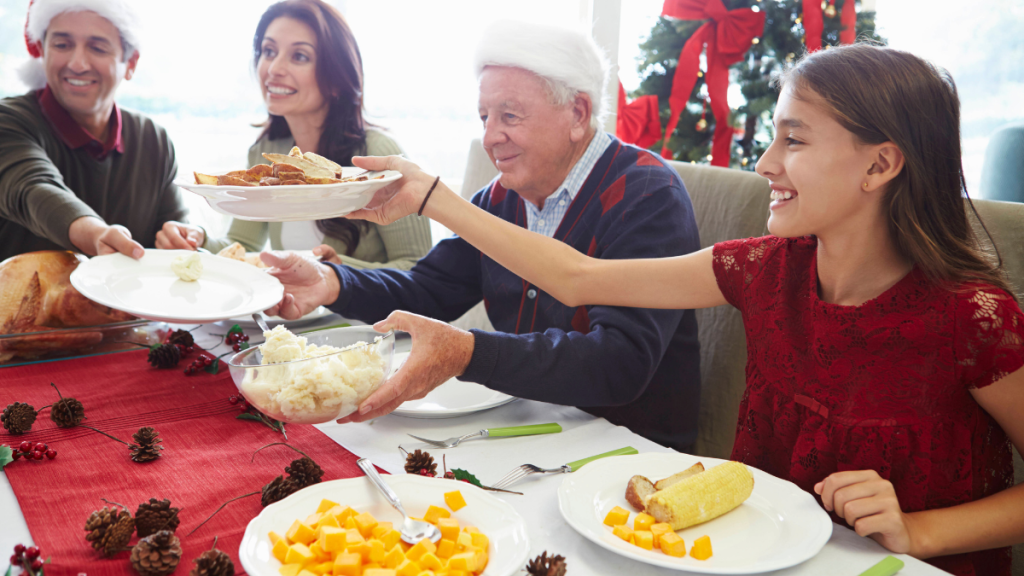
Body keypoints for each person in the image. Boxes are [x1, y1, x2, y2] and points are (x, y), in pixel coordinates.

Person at [311, 44, 1024, 576]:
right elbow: (580, 277)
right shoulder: (763, 268)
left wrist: (921, 532)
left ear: (880, 165)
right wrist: (434, 198)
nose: (766, 163)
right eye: (772, 135)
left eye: (794, 139)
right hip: (756, 556)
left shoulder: (973, 318)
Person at [263, 20, 703, 452]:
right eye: (484, 117)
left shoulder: (646, 195)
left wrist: (468, 352)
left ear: (578, 113)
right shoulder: (501, 198)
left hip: (629, 452)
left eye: (509, 116)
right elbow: (429, 289)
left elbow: (619, 363)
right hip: (531, 428)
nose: (490, 138)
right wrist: (330, 281)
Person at [156, 0, 430, 270]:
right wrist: (196, 238)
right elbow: (242, 245)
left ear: (336, 78)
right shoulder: (267, 149)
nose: (274, 69)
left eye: (299, 56)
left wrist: (337, 274)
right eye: (268, 50)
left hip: (361, 316)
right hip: (288, 314)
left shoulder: (379, 156)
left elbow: (420, 271)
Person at [0, 0, 186, 262]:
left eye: (98, 48)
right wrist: (96, 233)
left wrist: (186, 235)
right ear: (42, 51)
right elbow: (33, 188)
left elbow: (174, 231)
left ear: (130, 63)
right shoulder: (9, 121)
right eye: (62, 45)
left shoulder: (153, 139)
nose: (77, 63)